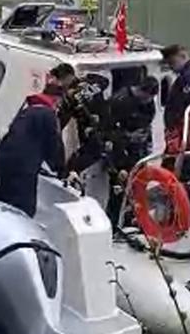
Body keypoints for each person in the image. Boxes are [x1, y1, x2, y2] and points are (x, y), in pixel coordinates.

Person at [68, 77, 159, 225]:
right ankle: (113, 221)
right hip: (117, 148)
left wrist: (142, 138)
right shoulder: (120, 101)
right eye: (147, 97)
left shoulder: (147, 105)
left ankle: (129, 218)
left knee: (134, 183)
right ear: (141, 91)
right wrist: (127, 136)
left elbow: (147, 122)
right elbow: (106, 129)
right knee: (118, 184)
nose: (148, 101)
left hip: (135, 148)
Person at [0, 84, 66, 217]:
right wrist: (61, 169)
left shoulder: (26, 110)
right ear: (56, 99)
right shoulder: (48, 114)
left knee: (2, 200)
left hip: (5, 161)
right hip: (24, 167)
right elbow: (53, 144)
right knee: (24, 209)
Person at [161, 44, 190, 229]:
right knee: (183, 174)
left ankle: (188, 218)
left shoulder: (189, 78)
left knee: (181, 176)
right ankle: (187, 217)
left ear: (182, 56)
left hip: (184, 136)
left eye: (172, 63)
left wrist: (179, 134)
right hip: (182, 135)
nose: (172, 68)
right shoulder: (188, 75)